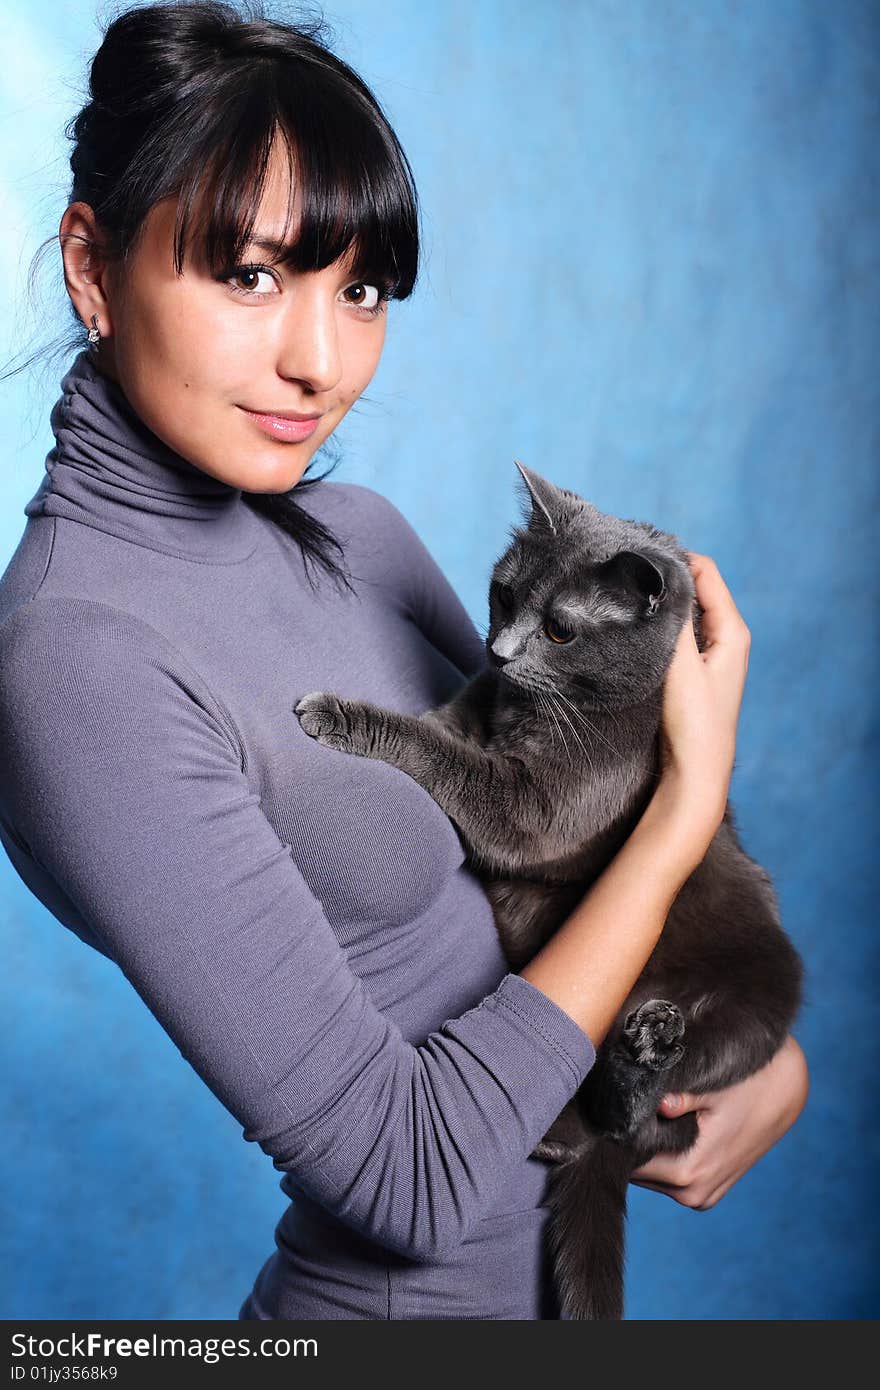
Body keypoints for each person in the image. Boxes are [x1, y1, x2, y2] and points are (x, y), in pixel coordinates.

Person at [0, 1, 807, 1320]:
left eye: (359, 287)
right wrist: (686, 810)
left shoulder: (358, 537)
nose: (318, 360)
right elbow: (408, 1172)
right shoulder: (77, 662)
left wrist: (759, 1045)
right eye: (249, 274)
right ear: (92, 265)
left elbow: (591, 802)